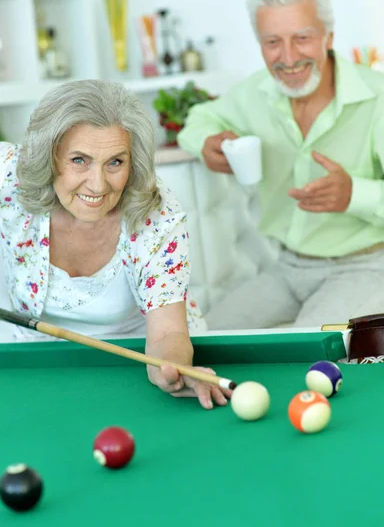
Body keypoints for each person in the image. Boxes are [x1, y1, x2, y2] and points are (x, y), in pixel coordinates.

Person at [177, 0, 384, 332]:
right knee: (201, 340)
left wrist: (354, 194)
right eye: (272, 42)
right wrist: (207, 143)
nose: (289, 57)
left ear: (328, 36)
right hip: (287, 268)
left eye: (302, 38)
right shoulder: (256, 92)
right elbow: (200, 118)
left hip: (370, 264)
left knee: (309, 355)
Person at [0, 79, 231, 409]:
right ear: (49, 157)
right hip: (35, 361)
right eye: (79, 160)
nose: (97, 184)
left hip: (137, 357)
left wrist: (171, 368)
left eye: (115, 162)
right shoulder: (10, 175)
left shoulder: (157, 214)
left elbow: (167, 334)